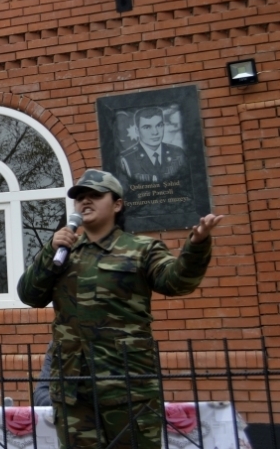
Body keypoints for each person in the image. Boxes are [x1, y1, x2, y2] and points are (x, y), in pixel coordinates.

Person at [17, 169, 223, 449]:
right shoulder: (64, 252)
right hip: (74, 390)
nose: (85, 202)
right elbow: (30, 295)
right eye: (80, 198)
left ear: (117, 204)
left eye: (95, 196)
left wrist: (197, 246)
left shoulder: (141, 248)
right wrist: (48, 251)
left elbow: (175, 281)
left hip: (128, 387)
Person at [118, 107, 186, 183]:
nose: (155, 132)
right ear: (137, 131)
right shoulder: (127, 160)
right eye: (147, 127)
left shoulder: (178, 153)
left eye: (159, 125)